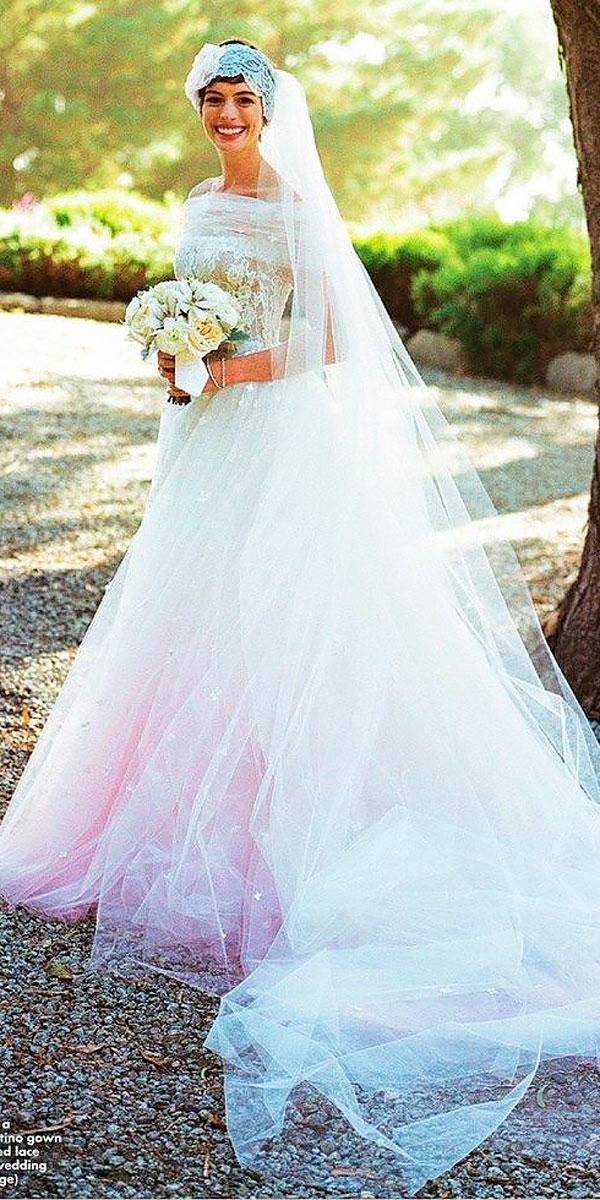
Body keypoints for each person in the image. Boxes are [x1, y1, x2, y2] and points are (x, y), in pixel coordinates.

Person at [1, 37, 600, 1197]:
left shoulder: (292, 210)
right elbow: (196, 329)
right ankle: (153, 810)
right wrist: (177, 366)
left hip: (277, 441)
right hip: (204, 434)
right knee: (181, 615)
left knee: (275, 618)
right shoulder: (194, 199)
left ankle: (280, 832)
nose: (227, 115)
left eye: (242, 100)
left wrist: (229, 368)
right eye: (213, 100)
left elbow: (325, 341)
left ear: (269, 111)